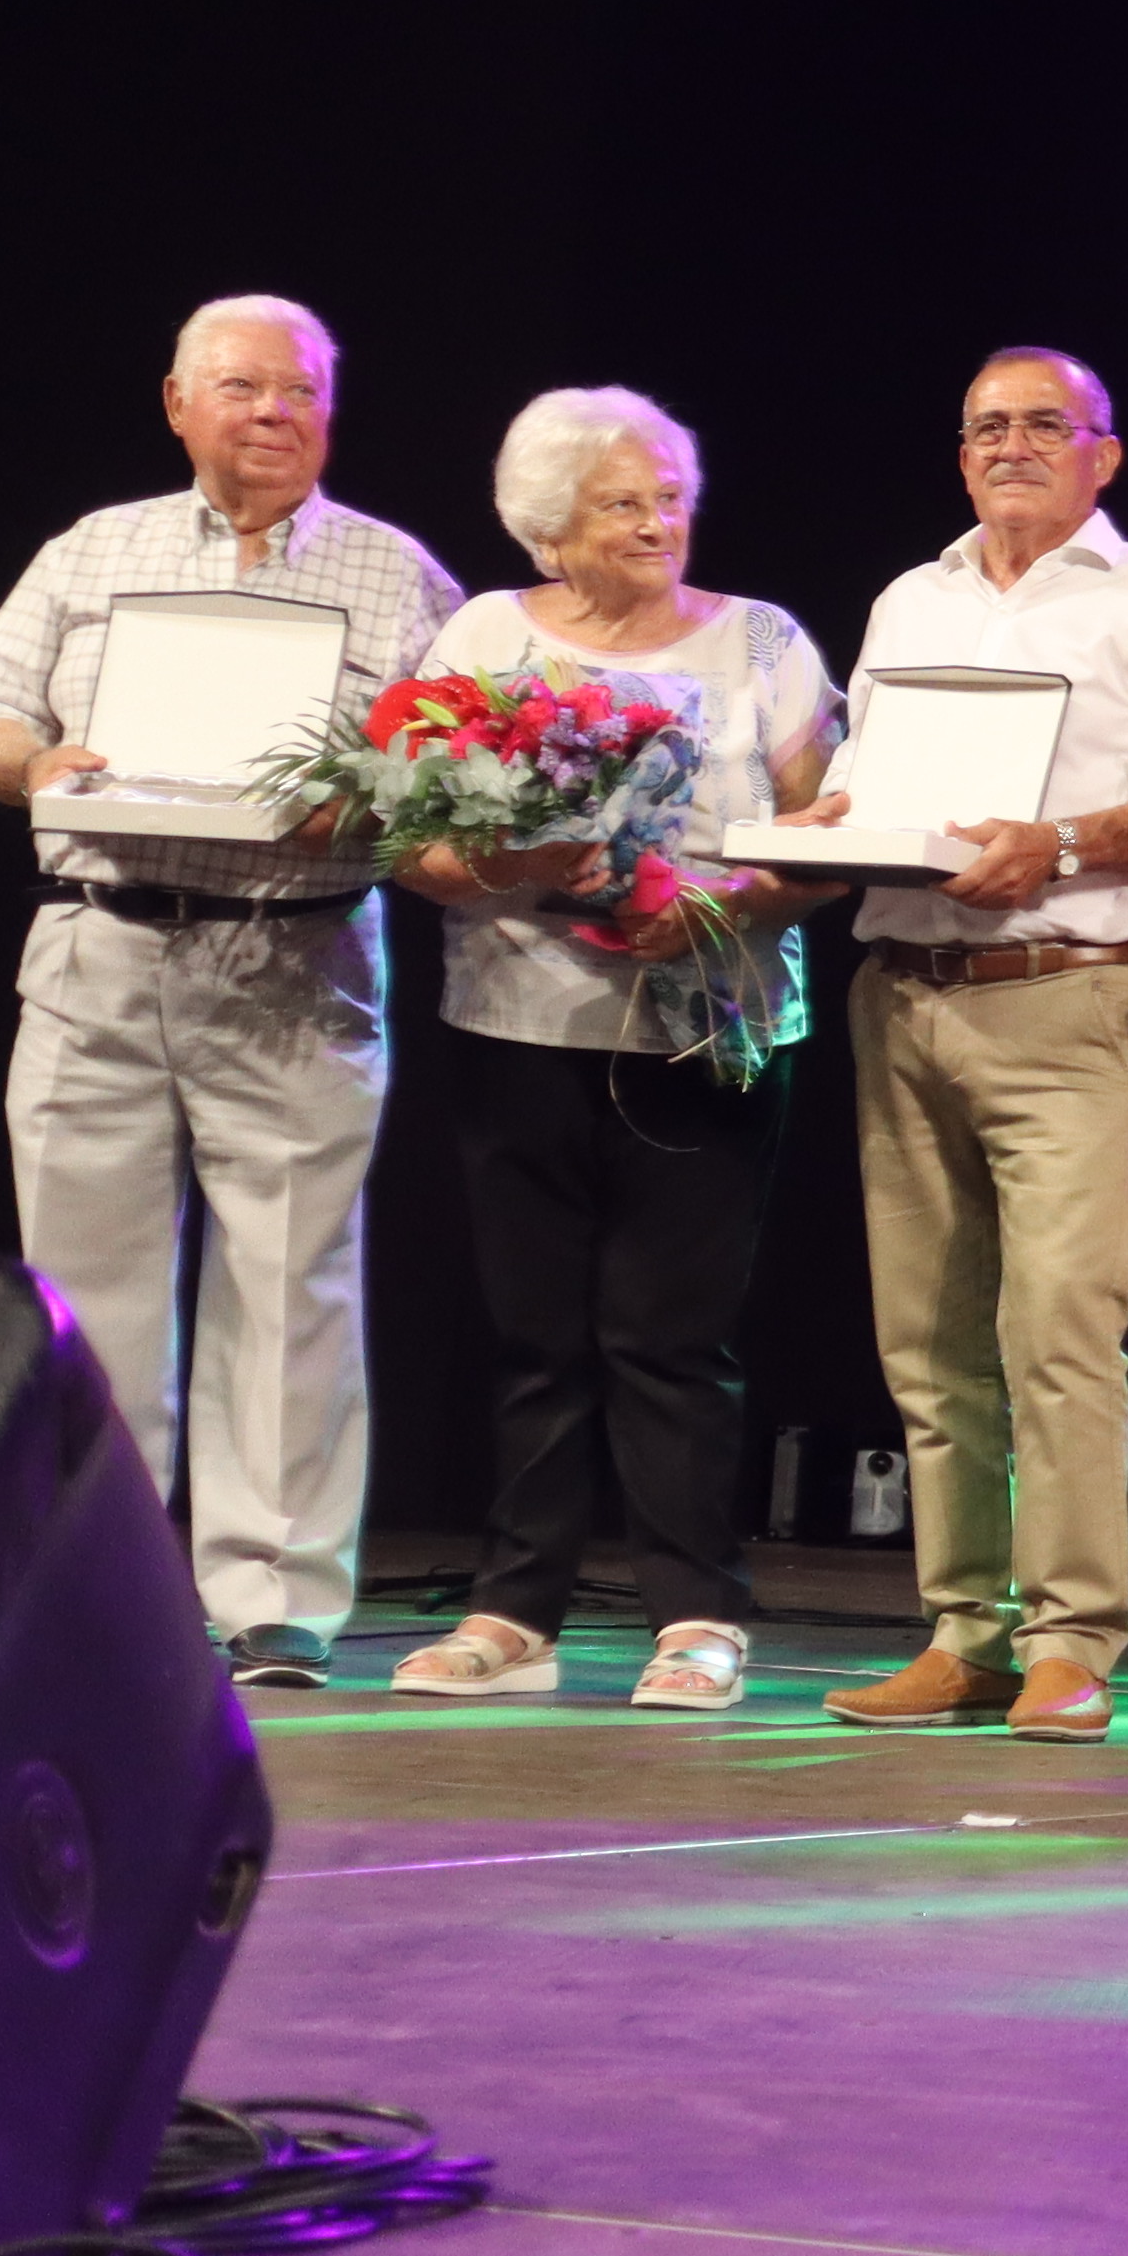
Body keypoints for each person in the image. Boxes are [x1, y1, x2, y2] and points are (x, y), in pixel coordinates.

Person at [0, 295, 456, 1686]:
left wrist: (360, 806)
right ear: (178, 403)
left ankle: (275, 1603)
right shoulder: (93, 548)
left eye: (301, 391)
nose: (274, 413)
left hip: (296, 952)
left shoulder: (396, 573)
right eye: (242, 388)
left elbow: (458, 771)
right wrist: (32, 763)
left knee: (293, 1279)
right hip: (101, 944)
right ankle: (92, 1590)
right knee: (86, 1283)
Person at [811, 348, 1128, 1743]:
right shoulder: (910, 596)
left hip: (1068, 986)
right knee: (928, 1344)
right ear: (959, 455)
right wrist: (828, 819)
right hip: (903, 986)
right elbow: (858, 771)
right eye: (986, 427)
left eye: (1043, 426)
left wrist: (1060, 843)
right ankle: (966, 1632)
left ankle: (1071, 1641)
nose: (1011, 446)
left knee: (1059, 1330)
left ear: (1102, 455)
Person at [383, 390, 836, 1717]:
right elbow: (408, 840)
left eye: (672, 494)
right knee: (535, 1338)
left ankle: (696, 1613)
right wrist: (505, 866)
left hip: (708, 1031)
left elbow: (833, 837)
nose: (661, 520)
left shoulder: (765, 643)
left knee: (671, 1339)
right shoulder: (480, 636)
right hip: (518, 1029)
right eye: (624, 502)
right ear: (548, 529)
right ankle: (515, 1612)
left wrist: (728, 908)